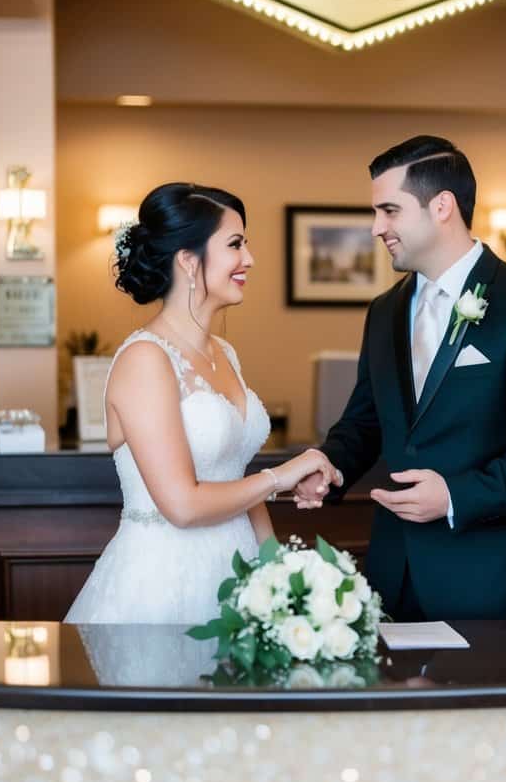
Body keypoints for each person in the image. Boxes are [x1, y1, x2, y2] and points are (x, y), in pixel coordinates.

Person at [64, 182, 339, 625]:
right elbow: (183, 505)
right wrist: (282, 475)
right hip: (166, 582)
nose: (248, 259)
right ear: (189, 261)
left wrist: (278, 574)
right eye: (235, 244)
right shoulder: (144, 359)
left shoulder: (224, 353)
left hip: (240, 573)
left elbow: (236, 479)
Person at [295, 136, 506, 621]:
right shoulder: (384, 311)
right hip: (392, 573)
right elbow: (365, 421)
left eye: (389, 211)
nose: (375, 228)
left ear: (442, 206)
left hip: (485, 577)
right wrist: (330, 466)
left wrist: (455, 495)